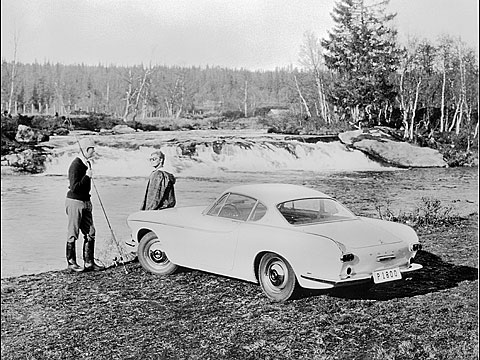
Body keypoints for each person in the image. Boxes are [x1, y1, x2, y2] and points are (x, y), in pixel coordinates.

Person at [65, 137, 104, 272]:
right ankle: (71, 263)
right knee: (73, 232)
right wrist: (87, 176)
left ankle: (89, 263)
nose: (94, 151)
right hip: (75, 202)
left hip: (86, 201)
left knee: (91, 232)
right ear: (87, 149)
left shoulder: (87, 163)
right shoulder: (75, 165)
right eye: (93, 149)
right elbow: (75, 187)